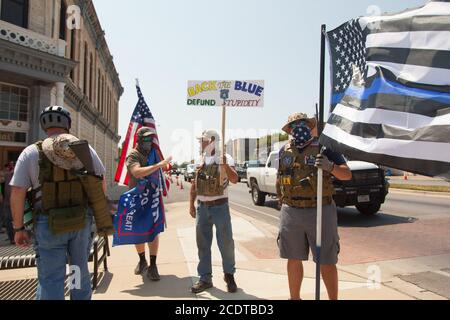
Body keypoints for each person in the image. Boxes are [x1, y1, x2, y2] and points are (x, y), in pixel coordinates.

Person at [10, 106, 107, 300]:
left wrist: (19, 227)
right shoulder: (84, 149)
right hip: (80, 221)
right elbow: (101, 185)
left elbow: (17, 192)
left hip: (48, 224)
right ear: (68, 124)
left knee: (51, 279)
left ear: (44, 125)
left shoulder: (30, 152)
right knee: (77, 272)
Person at [276, 113, 352, 300]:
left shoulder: (324, 147)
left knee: (326, 259)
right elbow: (280, 179)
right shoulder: (284, 151)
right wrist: (281, 200)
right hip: (291, 210)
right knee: (293, 258)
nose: (298, 127)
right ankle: (295, 298)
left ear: (310, 126)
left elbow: (347, 174)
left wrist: (330, 166)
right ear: (290, 129)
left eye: (302, 124)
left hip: (320, 210)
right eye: (294, 125)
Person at [189, 129, 239, 294]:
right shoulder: (199, 159)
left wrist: (225, 165)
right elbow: (194, 184)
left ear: (211, 140)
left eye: (202, 140)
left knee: (226, 244)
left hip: (220, 206)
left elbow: (234, 179)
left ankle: (229, 275)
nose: (200, 143)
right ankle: (205, 278)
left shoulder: (225, 158)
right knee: (202, 244)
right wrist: (191, 204)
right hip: (202, 207)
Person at [125, 127, 172, 281]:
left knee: (153, 230)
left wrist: (164, 164)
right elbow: (137, 172)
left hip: (153, 197)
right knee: (138, 231)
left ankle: (153, 265)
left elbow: (165, 167)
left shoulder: (154, 152)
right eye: (145, 139)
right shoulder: (133, 154)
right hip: (138, 198)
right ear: (139, 139)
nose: (149, 141)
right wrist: (159, 165)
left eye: (150, 138)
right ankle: (142, 260)